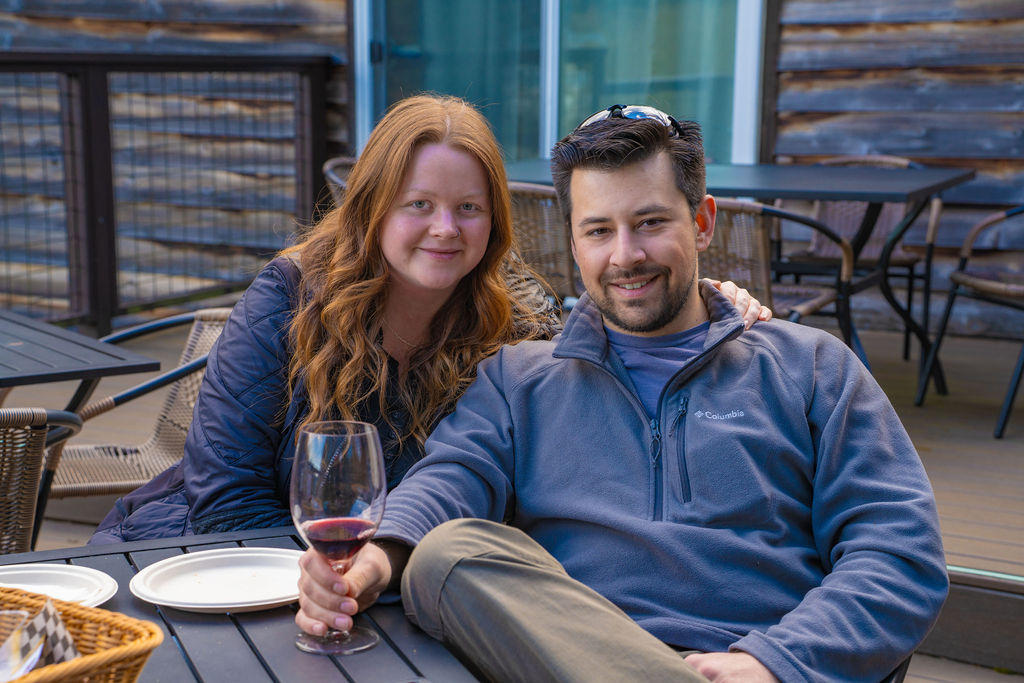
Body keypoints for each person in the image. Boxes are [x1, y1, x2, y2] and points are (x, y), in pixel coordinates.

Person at [295, 105, 948, 683]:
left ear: (703, 222)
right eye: (599, 230)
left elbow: (898, 552)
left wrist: (776, 661)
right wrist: (376, 560)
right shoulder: (519, 379)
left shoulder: (811, 369)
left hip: (754, 661)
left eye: (650, 222)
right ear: (573, 243)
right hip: (572, 656)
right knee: (446, 556)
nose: (626, 255)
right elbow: (450, 479)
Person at [90, 95, 767, 544]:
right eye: (418, 204)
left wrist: (705, 302)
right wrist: (332, 586)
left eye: (468, 208)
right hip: (209, 558)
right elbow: (226, 494)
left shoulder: (515, 321)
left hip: (390, 586)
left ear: (493, 220)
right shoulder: (291, 296)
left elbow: (602, 360)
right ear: (374, 209)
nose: (445, 229)